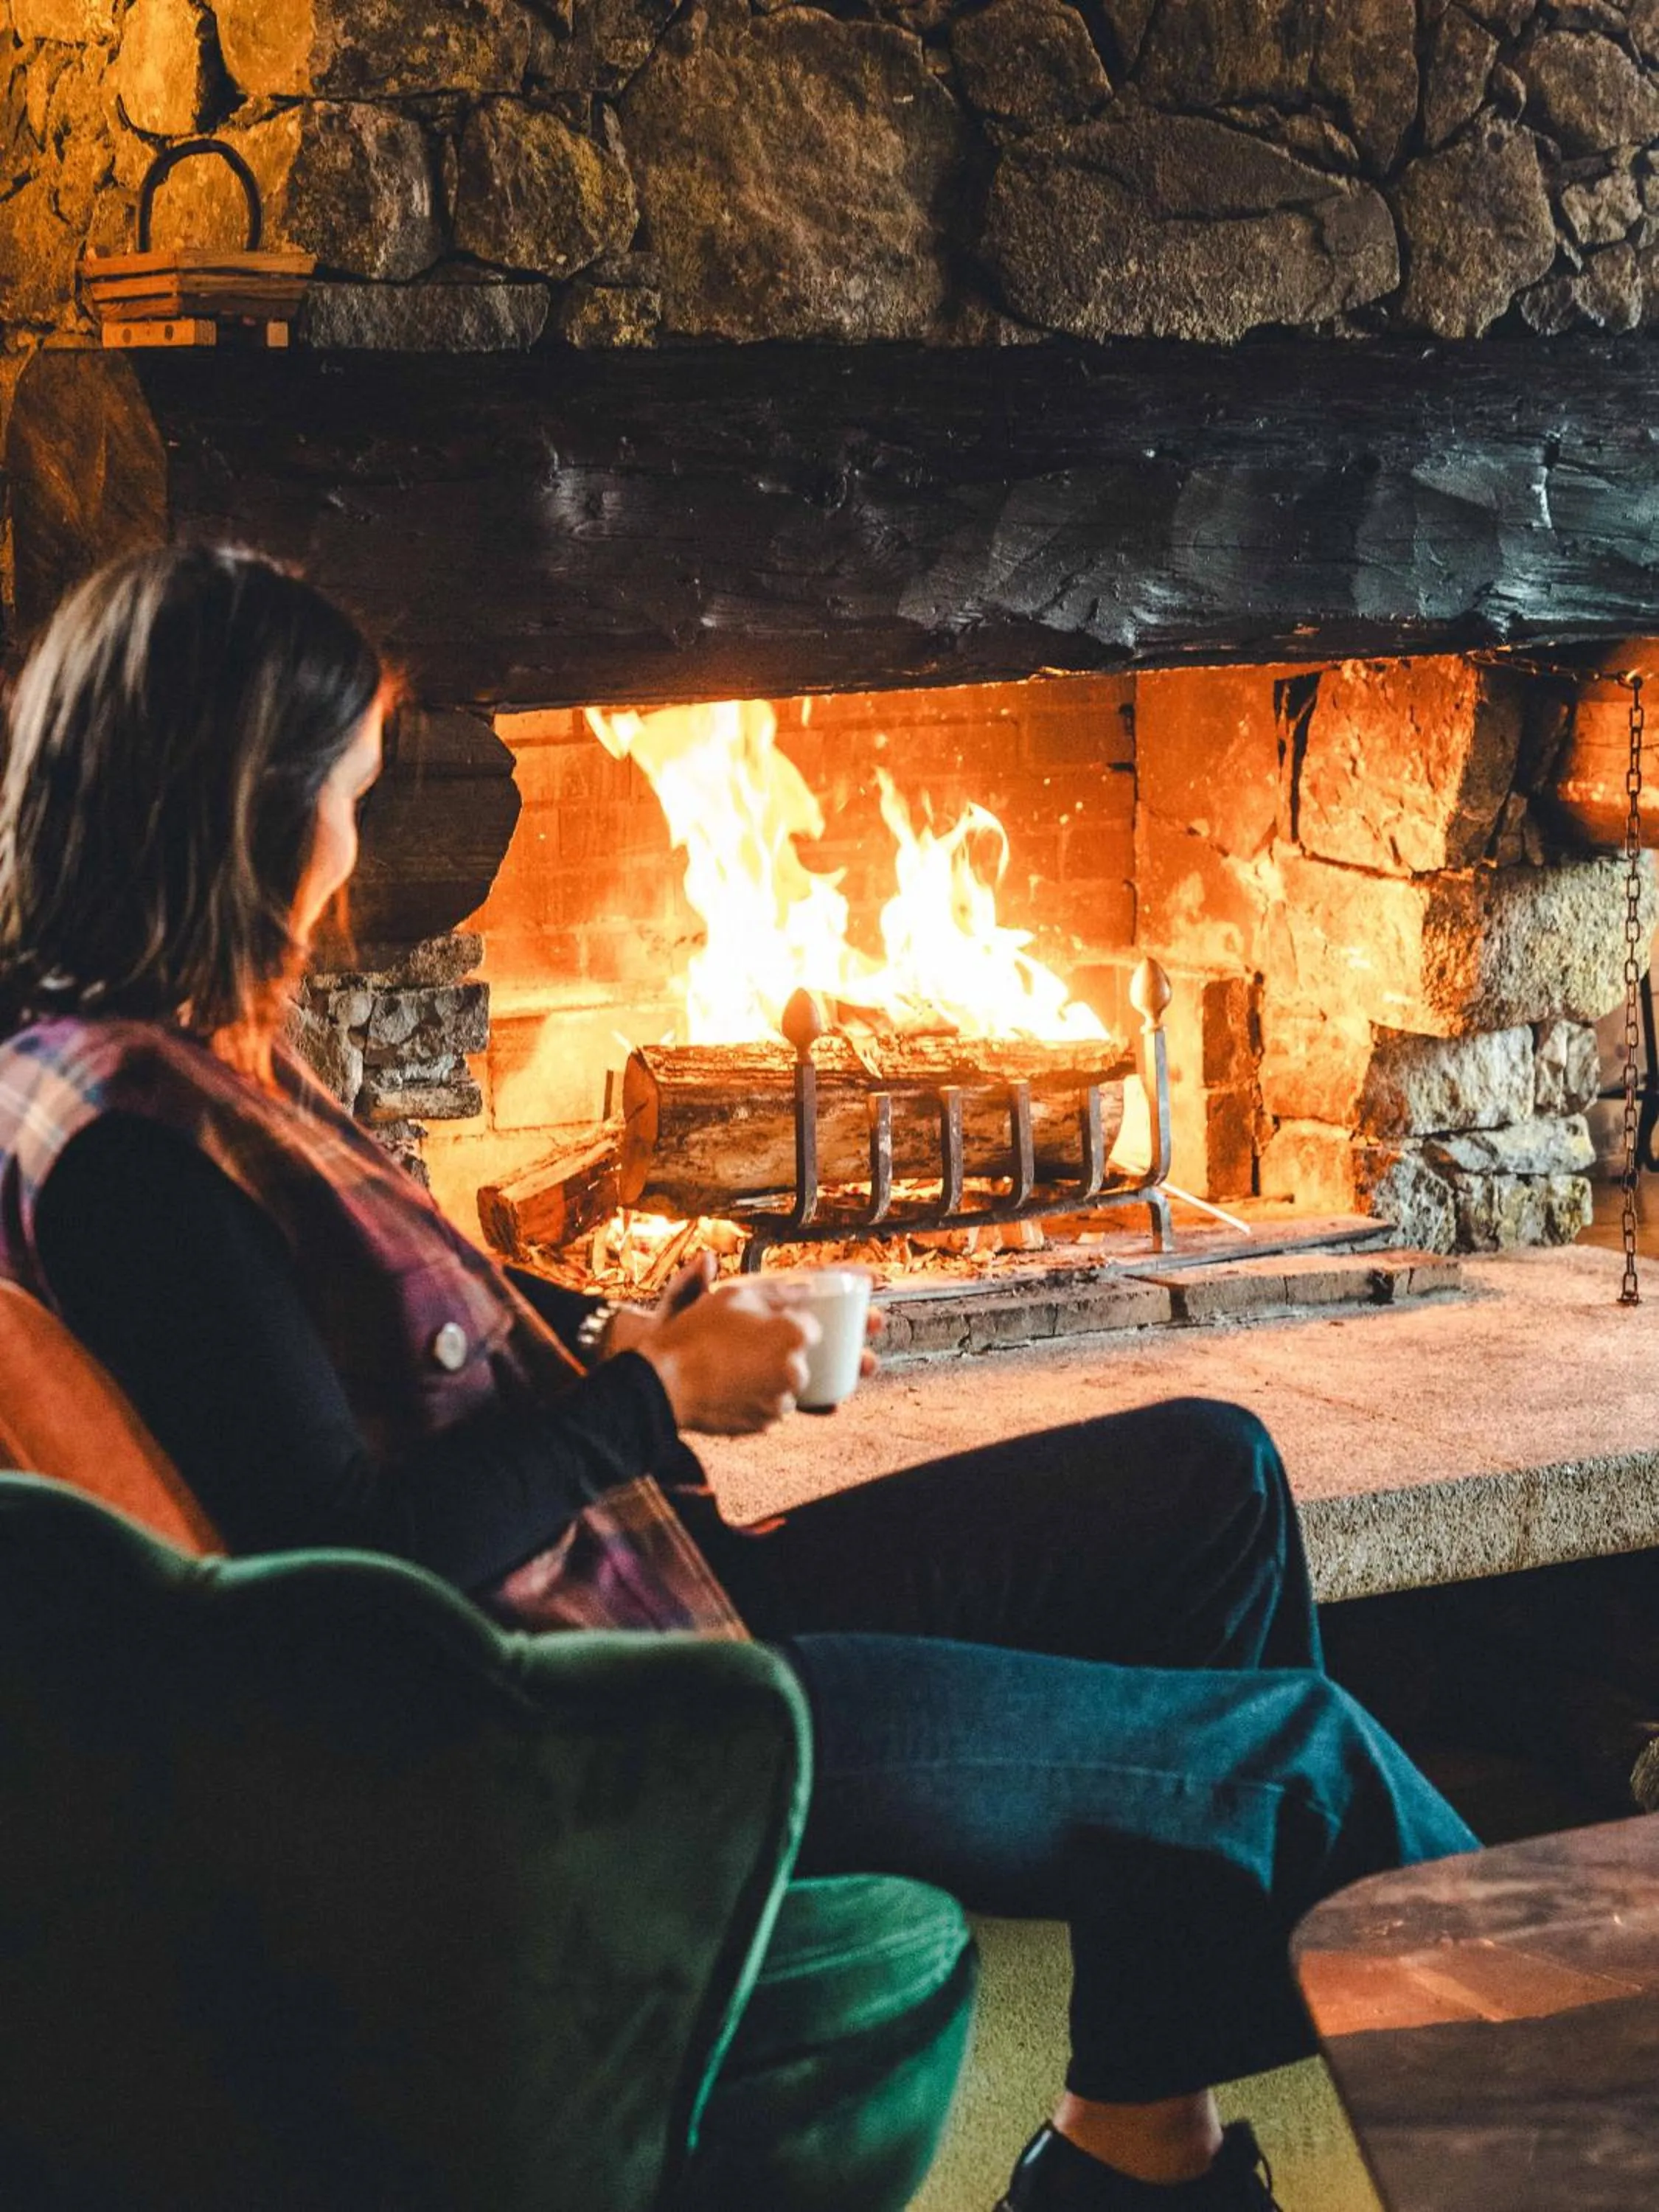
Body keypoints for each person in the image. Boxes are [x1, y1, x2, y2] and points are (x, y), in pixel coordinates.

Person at [0, 544, 1477, 2212]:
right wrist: (653, 1396)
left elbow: (342, 1375)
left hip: (638, 1609)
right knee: (1292, 1760)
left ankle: (1136, 2145)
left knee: (1211, 1480)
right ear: (240, 818)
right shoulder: (138, 1160)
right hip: (607, 1733)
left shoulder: (122, 1063)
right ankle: (1589, 2056)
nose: (345, 863)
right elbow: (349, 1582)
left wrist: (606, 1338)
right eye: (341, 800)